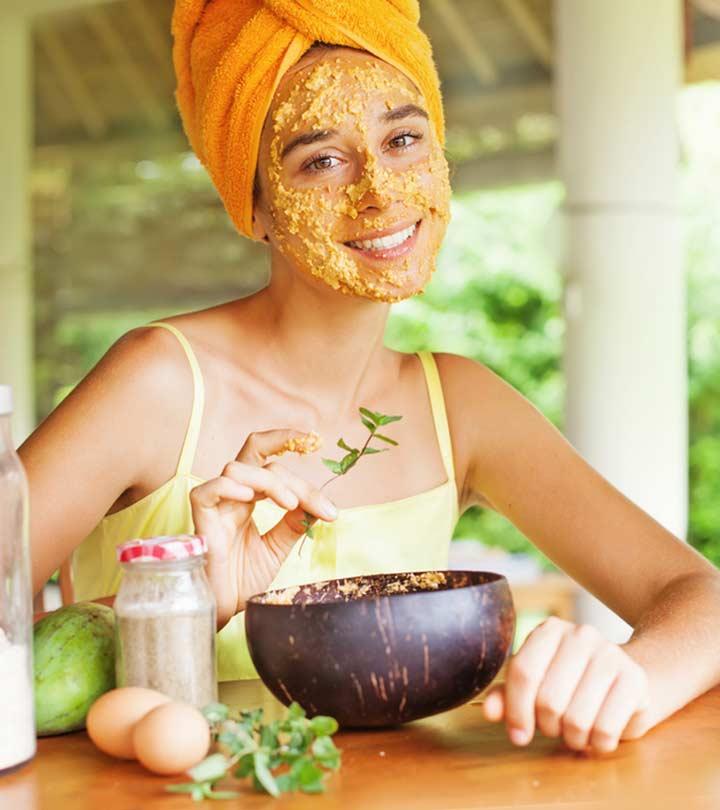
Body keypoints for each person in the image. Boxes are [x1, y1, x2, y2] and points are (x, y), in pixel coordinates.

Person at [21, 0, 720, 755]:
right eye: (321, 160)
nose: (380, 192)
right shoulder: (155, 383)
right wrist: (193, 603)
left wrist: (629, 681)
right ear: (254, 206)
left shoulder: (461, 405)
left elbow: (700, 598)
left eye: (404, 140)